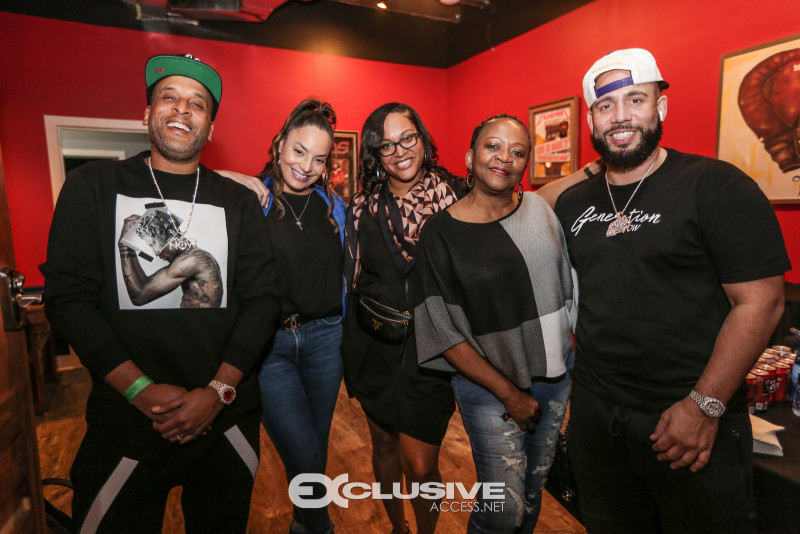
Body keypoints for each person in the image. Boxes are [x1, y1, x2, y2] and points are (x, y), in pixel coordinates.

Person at [553, 48, 790, 533]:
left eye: (635, 99)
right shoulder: (573, 203)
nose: (621, 116)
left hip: (690, 414)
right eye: (605, 106)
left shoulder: (715, 185)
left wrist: (704, 405)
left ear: (660, 107)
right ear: (592, 121)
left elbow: (761, 301)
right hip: (597, 418)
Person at [41, 53, 280, 533]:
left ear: (209, 128)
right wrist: (138, 389)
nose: (182, 108)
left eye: (197, 103)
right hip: (125, 418)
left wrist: (217, 392)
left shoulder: (236, 203)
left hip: (224, 416)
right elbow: (69, 300)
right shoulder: (92, 186)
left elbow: (263, 302)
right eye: (169, 97)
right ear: (147, 113)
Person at [413, 114, 576, 533]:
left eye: (517, 152)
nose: (505, 157)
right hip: (488, 387)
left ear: (525, 165)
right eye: (493, 146)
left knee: (534, 493)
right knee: (502, 510)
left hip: (554, 378)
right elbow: (440, 330)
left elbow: (567, 288)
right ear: (470, 157)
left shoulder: (540, 210)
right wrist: (509, 394)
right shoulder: (441, 233)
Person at [340, 102, 463, 534]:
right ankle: (398, 528)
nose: (399, 151)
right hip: (374, 343)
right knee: (385, 446)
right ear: (376, 153)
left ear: (423, 139)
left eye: (407, 138)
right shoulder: (362, 206)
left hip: (435, 350)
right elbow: (351, 277)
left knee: (421, 462)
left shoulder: (458, 199)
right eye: (386, 145)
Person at [253, 98, 346, 534]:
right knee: (304, 454)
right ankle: (319, 526)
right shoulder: (252, 199)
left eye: (319, 159)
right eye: (298, 151)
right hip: (269, 347)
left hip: (327, 341)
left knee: (314, 448)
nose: (306, 166)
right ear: (279, 144)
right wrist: (238, 178)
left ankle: (303, 524)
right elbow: (198, 183)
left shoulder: (334, 208)